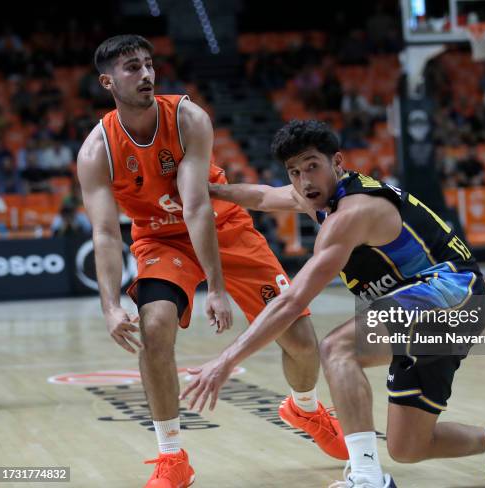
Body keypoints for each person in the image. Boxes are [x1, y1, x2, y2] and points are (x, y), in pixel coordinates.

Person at [184, 120, 485, 488]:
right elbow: (265, 196)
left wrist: (225, 361)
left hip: (452, 291)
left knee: (337, 347)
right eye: (294, 171)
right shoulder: (316, 195)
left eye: (312, 167)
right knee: (410, 446)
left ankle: (367, 479)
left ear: (338, 162)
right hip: (437, 306)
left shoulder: (352, 214)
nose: (303, 181)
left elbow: (292, 302)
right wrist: (211, 191)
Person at [77, 36, 345, 488]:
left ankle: (304, 408)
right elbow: (104, 233)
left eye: (148, 64)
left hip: (224, 228)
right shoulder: (96, 151)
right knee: (155, 328)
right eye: (131, 68)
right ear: (107, 81)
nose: (145, 74)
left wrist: (216, 289)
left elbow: (197, 205)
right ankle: (171, 457)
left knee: (300, 340)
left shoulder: (187, 117)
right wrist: (109, 305)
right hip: (161, 241)